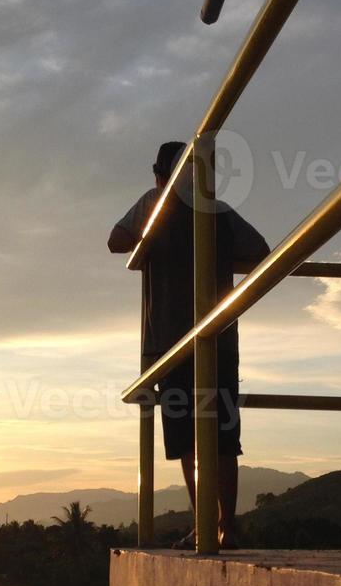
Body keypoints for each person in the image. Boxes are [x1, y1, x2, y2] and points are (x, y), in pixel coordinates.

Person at [108, 141, 270, 549]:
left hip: (172, 343)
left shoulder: (153, 203)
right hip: (217, 341)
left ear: (159, 174)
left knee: (190, 440)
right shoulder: (216, 210)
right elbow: (260, 252)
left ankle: (208, 527)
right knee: (220, 438)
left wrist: (154, 228)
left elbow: (116, 240)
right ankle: (223, 528)